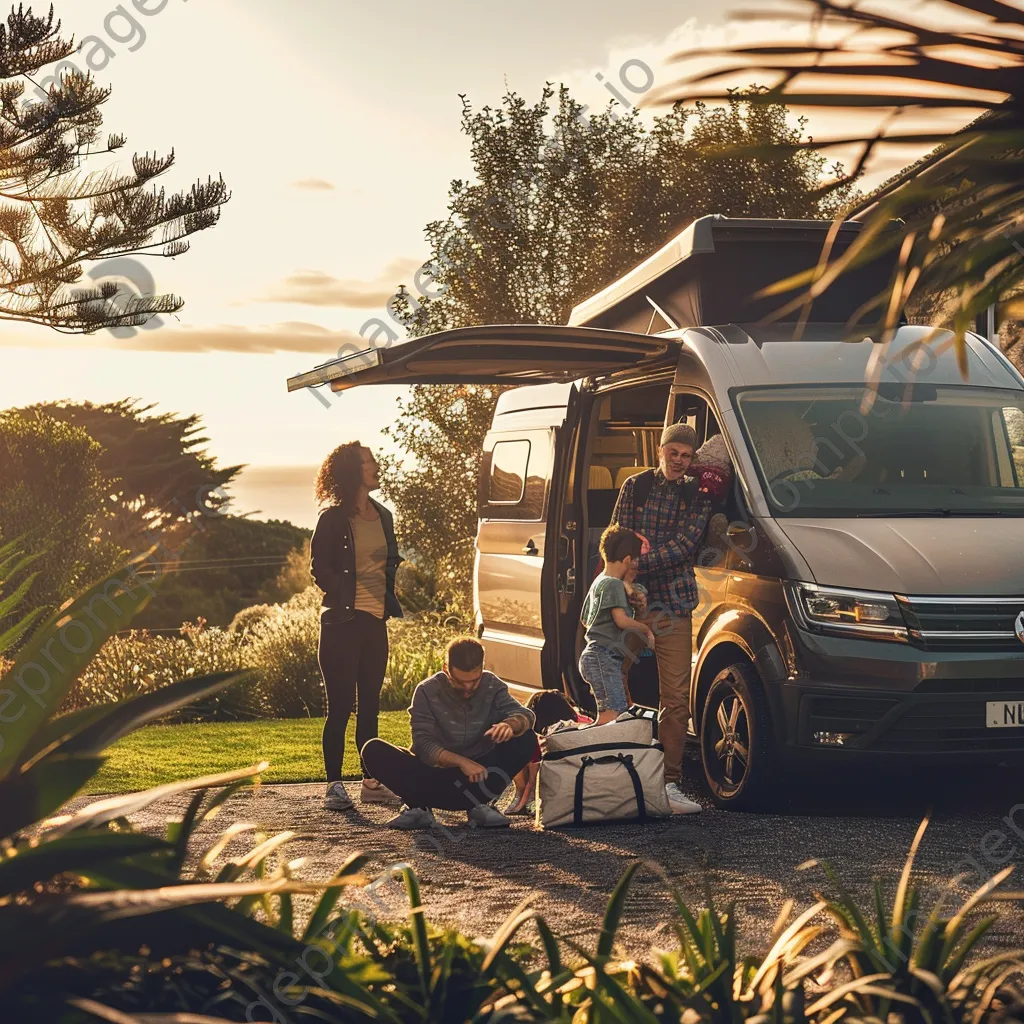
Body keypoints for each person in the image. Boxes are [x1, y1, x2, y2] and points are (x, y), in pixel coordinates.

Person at [611, 423, 711, 815]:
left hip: (673, 604)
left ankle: (670, 784)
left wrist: (636, 563)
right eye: (675, 454)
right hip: (629, 599)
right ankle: (617, 771)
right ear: (661, 450)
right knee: (610, 682)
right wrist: (624, 576)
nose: (680, 462)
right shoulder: (635, 486)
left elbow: (685, 546)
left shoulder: (698, 494)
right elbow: (617, 534)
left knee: (675, 698)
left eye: (687, 457)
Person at [311, 442, 404, 812]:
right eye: (369, 462)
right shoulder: (332, 519)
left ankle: (371, 781)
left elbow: (389, 562)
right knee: (339, 709)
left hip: (374, 623)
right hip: (341, 624)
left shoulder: (383, 515)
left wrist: (382, 599)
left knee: (370, 706)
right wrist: (346, 592)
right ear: (353, 470)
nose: (376, 466)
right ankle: (334, 784)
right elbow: (320, 568)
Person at [361, 637, 537, 830]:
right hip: (432, 778)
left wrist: (510, 724)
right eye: (461, 682)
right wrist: (461, 762)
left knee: (526, 738)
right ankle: (419, 808)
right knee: (373, 749)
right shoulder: (427, 691)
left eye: (474, 681)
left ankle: (479, 805)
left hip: (478, 779)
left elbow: (525, 714)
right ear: (446, 668)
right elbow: (423, 745)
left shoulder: (491, 685)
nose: (468, 688)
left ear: (482, 668)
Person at [579, 525, 656, 725]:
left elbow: (585, 619)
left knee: (609, 714)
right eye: (636, 559)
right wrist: (645, 630)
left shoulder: (599, 581)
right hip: (603, 657)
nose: (637, 564)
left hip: (594, 655)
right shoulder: (613, 584)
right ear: (628, 559)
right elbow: (621, 620)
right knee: (616, 715)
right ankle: (596, 749)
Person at [507, 690, 593, 816]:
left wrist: (524, 800)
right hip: (586, 771)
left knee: (522, 747)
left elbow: (535, 766)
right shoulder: (585, 720)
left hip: (561, 777)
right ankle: (524, 796)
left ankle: (524, 795)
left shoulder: (543, 734)